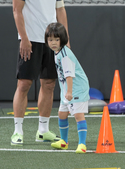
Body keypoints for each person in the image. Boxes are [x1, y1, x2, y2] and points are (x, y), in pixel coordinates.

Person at [11, 0, 70, 146]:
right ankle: (18, 131)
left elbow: (60, 10)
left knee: (49, 84)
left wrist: (65, 40)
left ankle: (43, 130)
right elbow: (16, 11)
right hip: (30, 40)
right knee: (24, 84)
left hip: (52, 41)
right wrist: (24, 38)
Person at [45, 22, 90, 154]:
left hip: (76, 88)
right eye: (50, 40)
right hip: (68, 89)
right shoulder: (57, 52)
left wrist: (69, 92)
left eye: (57, 39)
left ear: (63, 39)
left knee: (78, 115)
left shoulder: (64, 55)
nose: (53, 42)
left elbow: (69, 75)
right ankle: (64, 141)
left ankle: (82, 144)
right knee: (62, 113)